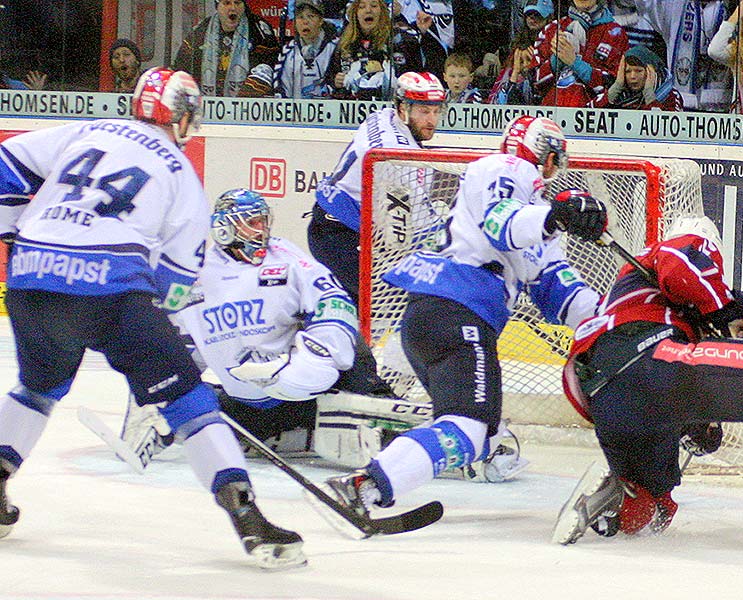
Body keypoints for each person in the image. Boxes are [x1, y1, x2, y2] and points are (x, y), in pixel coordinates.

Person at [0, 67, 304, 569]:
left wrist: (14, 235)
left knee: (38, 387)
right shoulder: (181, 172)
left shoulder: (88, 129)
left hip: (32, 279)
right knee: (188, 400)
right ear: (182, 117)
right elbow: (176, 282)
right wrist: (153, 341)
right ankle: (246, 515)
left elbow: (5, 163)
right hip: (112, 288)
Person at [324, 115, 606, 517]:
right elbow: (499, 223)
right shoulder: (505, 168)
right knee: (469, 427)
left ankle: (403, 464)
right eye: (555, 160)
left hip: (438, 317)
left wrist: (611, 317)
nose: (553, 171)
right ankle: (364, 486)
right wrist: (553, 218)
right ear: (546, 155)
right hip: (457, 314)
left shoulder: (535, 213)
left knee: (485, 432)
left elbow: (558, 292)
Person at [552, 215, 743, 551]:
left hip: (599, 392)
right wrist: (726, 310)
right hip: (644, 355)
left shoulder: (632, 293)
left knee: (651, 510)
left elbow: (689, 369)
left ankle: (612, 496)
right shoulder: (685, 245)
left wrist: (697, 420)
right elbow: (679, 266)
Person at [118, 188, 434, 471]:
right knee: (203, 419)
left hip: (307, 393)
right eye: (251, 223)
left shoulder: (285, 258)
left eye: (263, 222)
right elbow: (171, 350)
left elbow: (334, 302)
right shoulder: (194, 276)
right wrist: (155, 404)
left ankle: (385, 412)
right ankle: (292, 434)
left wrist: (309, 364)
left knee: (351, 348)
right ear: (224, 228)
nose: (261, 231)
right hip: (247, 404)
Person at [309, 71, 447, 397]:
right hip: (339, 234)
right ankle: (369, 388)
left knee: (365, 310)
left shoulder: (383, 117)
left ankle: (344, 380)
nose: (432, 119)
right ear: (402, 108)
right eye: (423, 110)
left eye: (436, 110)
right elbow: (414, 228)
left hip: (339, 229)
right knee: (401, 304)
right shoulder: (395, 154)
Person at [634, 0, 733, 112]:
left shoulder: (731, 8)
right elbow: (644, 3)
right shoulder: (674, 6)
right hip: (680, 105)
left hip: (721, 108)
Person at [531, 0, 630, 107]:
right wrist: (557, 59)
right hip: (550, 115)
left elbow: (616, 87)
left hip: (593, 116)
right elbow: (534, 84)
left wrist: (575, 63)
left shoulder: (616, 33)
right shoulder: (553, 29)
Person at [173, 0, 279, 97]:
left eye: (237, 3)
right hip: (207, 109)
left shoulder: (259, 30)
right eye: (226, 3)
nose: (233, 8)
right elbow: (181, 69)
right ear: (217, 6)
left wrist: (241, 100)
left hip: (247, 108)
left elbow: (269, 67)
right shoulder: (201, 31)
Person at [240, 0, 339, 98]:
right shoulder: (287, 51)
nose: (305, 22)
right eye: (300, 17)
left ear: (321, 20)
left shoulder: (336, 48)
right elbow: (280, 87)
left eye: (311, 16)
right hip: (294, 111)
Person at [324, 0, 395, 100]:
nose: (368, 10)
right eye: (362, 7)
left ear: (382, 12)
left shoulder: (395, 40)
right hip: (351, 107)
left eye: (374, 6)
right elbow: (330, 75)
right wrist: (335, 81)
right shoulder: (345, 43)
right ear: (355, 14)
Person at [592, 44, 683, 109]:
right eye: (627, 71)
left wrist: (649, 97)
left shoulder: (671, 95)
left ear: (651, 71)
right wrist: (615, 89)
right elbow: (587, 114)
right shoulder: (619, 92)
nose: (632, 76)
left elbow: (668, 129)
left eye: (638, 71)